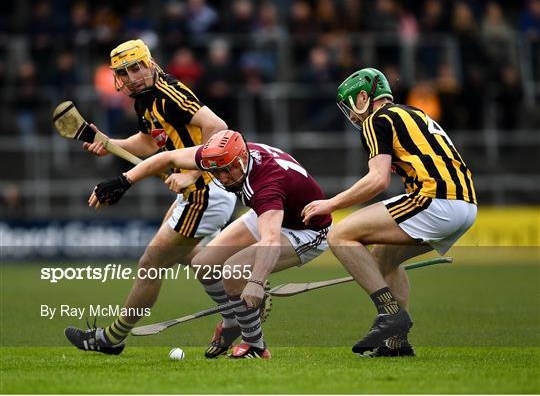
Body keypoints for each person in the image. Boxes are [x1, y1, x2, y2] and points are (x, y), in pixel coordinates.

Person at [87, 130, 333, 359]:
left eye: (226, 171)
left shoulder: (266, 185)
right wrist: (124, 181)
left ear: (240, 162)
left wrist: (256, 282)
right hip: (273, 213)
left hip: (307, 228)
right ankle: (234, 321)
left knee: (233, 271)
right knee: (204, 264)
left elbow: (270, 241)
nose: (222, 178)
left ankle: (255, 345)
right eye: (215, 173)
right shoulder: (224, 156)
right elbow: (168, 157)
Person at [64, 39, 238, 356]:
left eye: (136, 68)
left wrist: (195, 172)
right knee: (191, 257)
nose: (131, 77)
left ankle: (111, 338)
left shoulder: (169, 93)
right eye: (124, 72)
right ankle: (238, 309)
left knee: (150, 265)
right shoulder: (144, 101)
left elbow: (217, 125)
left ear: (149, 63)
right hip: (196, 192)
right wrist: (110, 143)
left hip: (206, 189)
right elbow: (148, 143)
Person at [302, 68, 477, 357]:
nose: (353, 117)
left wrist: (330, 203)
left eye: (351, 108)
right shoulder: (415, 114)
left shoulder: (376, 119)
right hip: (466, 205)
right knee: (384, 257)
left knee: (340, 235)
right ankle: (397, 342)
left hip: (435, 198)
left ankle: (390, 314)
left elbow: (378, 180)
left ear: (362, 97)